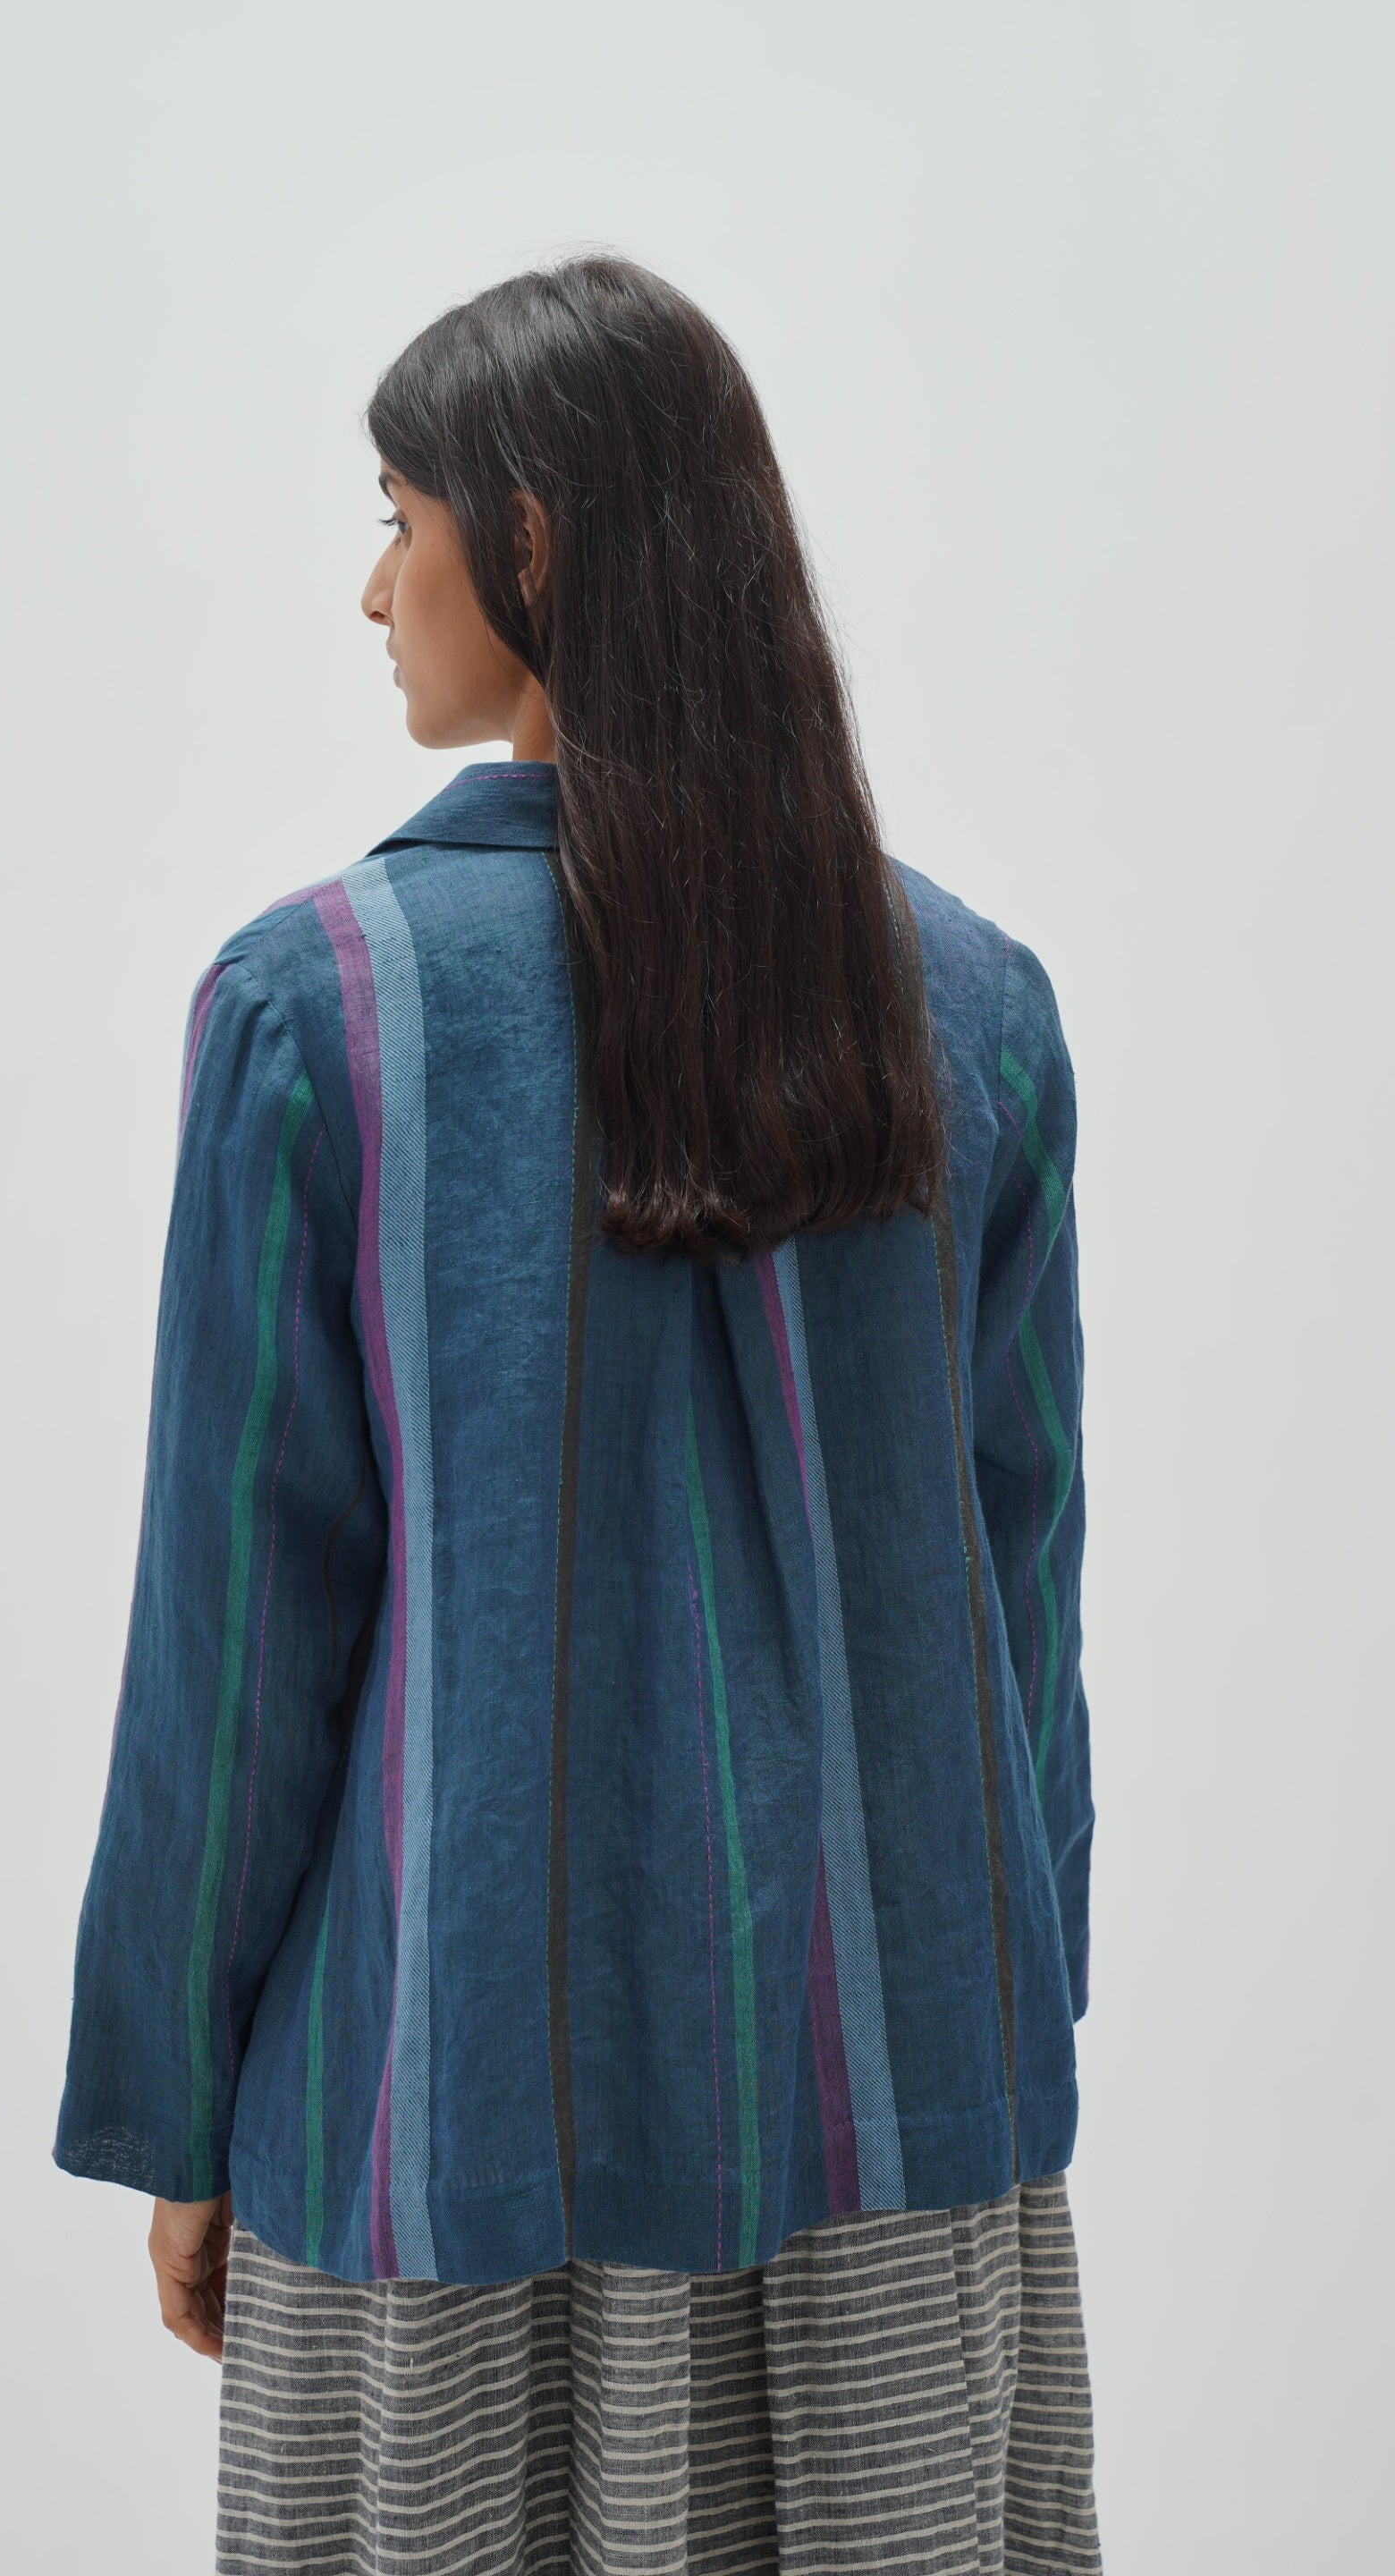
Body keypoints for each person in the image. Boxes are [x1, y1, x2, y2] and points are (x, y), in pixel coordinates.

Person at [55, 256, 1101, 2574]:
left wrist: (179, 2107)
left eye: (399, 517)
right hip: (902, 2135)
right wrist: (1001, 2036)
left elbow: (236, 1638)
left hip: (444, 2118)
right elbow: (1026, 1600)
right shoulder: (978, 1008)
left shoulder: (322, 1012)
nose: (373, 588)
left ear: (528, 538)